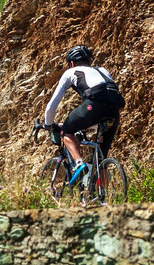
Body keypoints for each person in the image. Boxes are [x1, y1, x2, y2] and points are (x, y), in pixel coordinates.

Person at [43, 44, 125, 187]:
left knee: (67, 131)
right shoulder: (103, 70)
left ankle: (80, 164)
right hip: (114, 110)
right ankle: (103, 197)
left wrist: (48, 124)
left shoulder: (71, 72)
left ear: (72, 63)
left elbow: (52, 105)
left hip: (93, 105)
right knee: (101, 159)